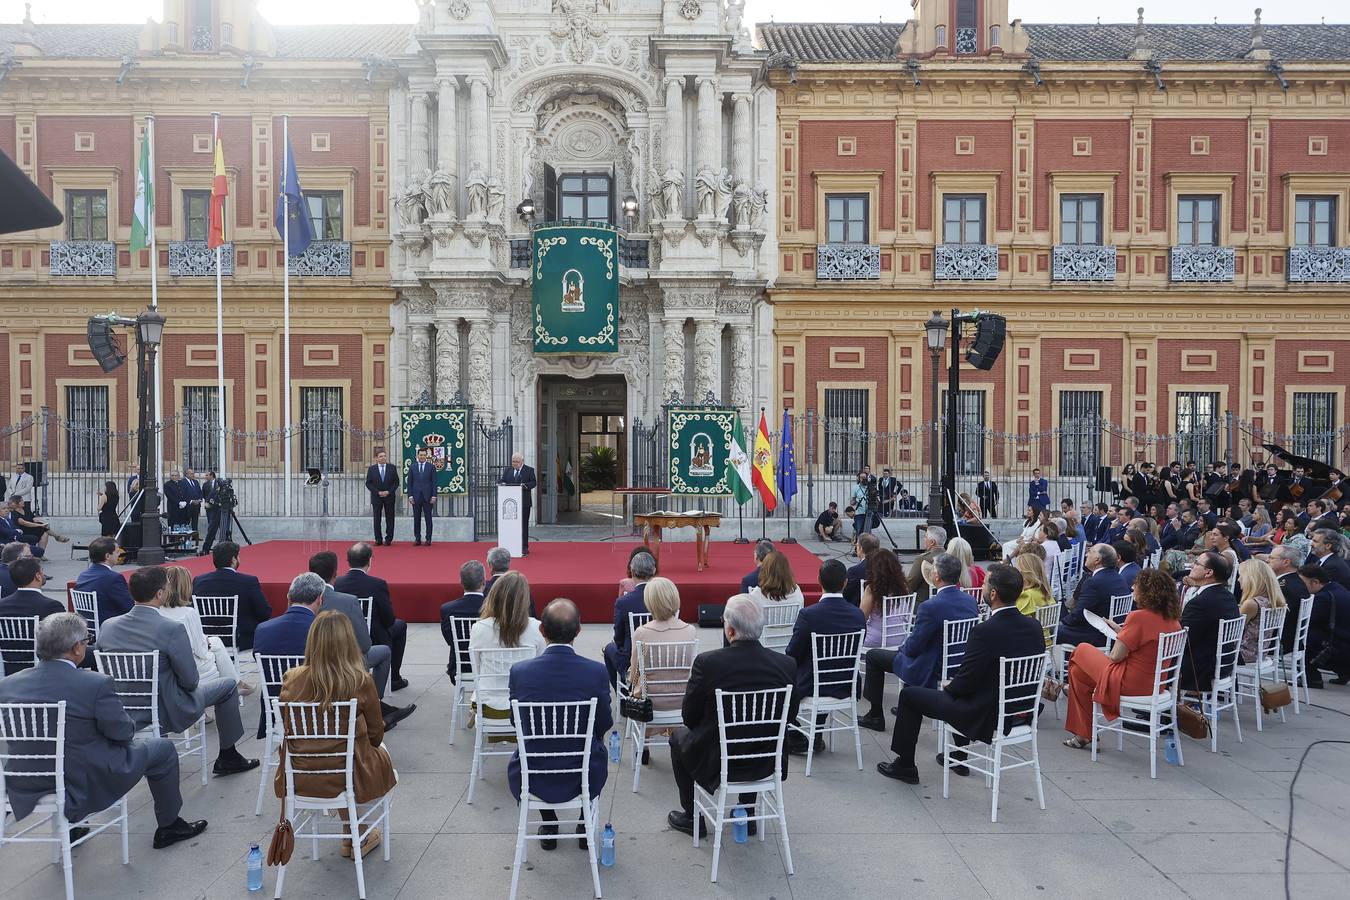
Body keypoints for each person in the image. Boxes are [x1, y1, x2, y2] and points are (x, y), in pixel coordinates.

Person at [0, 613, 209, 851]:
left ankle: (74, 825)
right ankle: (169, 824)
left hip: (27, 779)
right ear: (77, 648)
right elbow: (122, 733)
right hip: (84, 777)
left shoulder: (7, 684)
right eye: (87, 640)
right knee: (163, 749)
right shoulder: (94, 683)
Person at [877, 564, 1044, 782]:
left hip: (985, 712)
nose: (982, 587)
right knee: (957, 690)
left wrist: (950, 685)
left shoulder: (985, 631)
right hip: (1019, 708)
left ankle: (905, 765)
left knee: (909, 696)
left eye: (984, 584)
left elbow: (965, 683)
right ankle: (958, 755)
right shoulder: (1034, 627)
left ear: (993, 594)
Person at [96, 566, 259, 778]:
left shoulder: (108, 626)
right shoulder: (170, 629)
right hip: (167, 707)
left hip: (124, 706)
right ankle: (228, 754)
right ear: (160, 594)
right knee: (228, 685)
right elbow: (190, 681)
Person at [664, 595, 800, 838]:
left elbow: (689, 716)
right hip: (765, 758)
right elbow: (790, 715)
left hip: (718, 759)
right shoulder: (786, 664)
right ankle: (746, 813)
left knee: (678, 738)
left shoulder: (708, 663)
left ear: (729, 629)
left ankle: (692, 816)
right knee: (754, 733)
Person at [274, 610, 398, 860]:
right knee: (376, 753)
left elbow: (290, 729)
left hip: (300, 774)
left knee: (336, 756)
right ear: (348, 642)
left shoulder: (292, 679)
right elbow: (376, 736)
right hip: (348, 774)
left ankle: (352, 831)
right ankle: (358, 833)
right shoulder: (360, 680)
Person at [507, 598, 611, 850]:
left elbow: (515, 722)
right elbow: (604, 723)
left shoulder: (520, 671)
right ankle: (584, 822)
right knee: (597, 747)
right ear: (578, 631)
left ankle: (550, 824)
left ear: (542, 631)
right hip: (583, 771)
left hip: (533, 772)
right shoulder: (595, 671)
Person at [1061, 569, 1183, 749]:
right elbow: (1146, 645)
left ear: (1148, 591)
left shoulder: (1138, 617)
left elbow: (1115, 656)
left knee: (1081, 649)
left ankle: (1084, 730)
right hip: (1154, 683)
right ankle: (1083, 734)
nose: (1133, 587)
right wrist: (1122, 631)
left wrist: (1121, 635)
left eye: (1137, 585)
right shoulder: (1173, 620)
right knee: (1078, 673)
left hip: (1129, 681)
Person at [859, 554, 979, 731]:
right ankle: (903, 705)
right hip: (957, 663)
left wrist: (901, 649)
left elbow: (914, 647)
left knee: (873, 656)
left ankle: (875, 715)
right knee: (898, 655)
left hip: (930, 666)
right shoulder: (970, 601)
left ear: (937, 576)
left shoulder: (931, 606)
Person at [308, 551, 414, 729]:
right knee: (381, 652)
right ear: (335, 573)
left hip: (312, 662)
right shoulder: (347, 601)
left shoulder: (300, 598)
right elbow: (365, 644)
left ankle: (376, 706)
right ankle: (374, 704)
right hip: (345, 663)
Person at [785, 559, 866, 753]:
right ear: (845, 583)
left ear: (818, 581)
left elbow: (792, 653)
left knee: (780, 677)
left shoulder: (809, 615)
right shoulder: (857, 614)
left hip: (813, 684)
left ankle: (794, 736)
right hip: (846, 683)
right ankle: (815, 734)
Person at [627, 576, 697, 755]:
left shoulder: (642, 632)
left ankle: (645, 745)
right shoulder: (690, 630)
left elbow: (635, 673)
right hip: (682, 701)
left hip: (651, 704)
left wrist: (630, 680)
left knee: (635, 682)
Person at [469, 570, 546, 715]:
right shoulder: (537, 627)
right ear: (525, 599)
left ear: (494, 595)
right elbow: (541, 666)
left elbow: (477, 669)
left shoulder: (479, 628)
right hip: (526, 705)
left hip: (488, 704)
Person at [335, 542, 409, 692]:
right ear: (369, 560)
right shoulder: (377, 584)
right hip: (373, 638)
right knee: (400, 626)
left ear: (348, 561)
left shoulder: (337, 583)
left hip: (342, 635)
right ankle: (394, 677)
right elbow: (389, 619)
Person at [156, 564, 244, 688]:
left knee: (215, 642)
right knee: (216, 646)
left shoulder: (156, 611)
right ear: (186, 587)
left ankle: (235, 683)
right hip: (187, 665)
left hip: (164, 662)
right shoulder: (188, 613)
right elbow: (200, 651)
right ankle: (234, 685)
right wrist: (205, 642)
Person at [191, 541, 273, 652]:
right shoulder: (248, 581)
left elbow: (193, 611)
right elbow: (264, 613)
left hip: (206, 637)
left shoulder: (199, 581)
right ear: (233, 559)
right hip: (239, 639)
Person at [1178, 551, 1241, 693]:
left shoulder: (1200, 602)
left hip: (1200, 669)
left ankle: (1163, 710)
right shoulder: (1227, 596)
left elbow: (1183, 641)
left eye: (1197, 563)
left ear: (1208, 573)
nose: (1192, 566)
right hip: (1223, 664)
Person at [0, 557, 65, 675]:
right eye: (42, 571)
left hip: (8, 663)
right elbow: (63, 639)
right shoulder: (51, 606)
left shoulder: (2, 605)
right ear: (38, 576)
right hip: (44, 664)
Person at [1056, 543, 1126, 648]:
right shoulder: (1119, 578)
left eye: (1090, 551)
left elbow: (1078, 615)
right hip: (1113, 632)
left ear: (1097, 560)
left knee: (1050, 631)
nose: (1086, 555)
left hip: (1096, 634)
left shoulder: (1094, 582)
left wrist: (1061, 622)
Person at [603, 550, 655, 686]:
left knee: (609, 649)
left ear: (632, 571)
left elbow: (618, 637)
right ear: (654, 570)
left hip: (631, 660)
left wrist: (618, 646)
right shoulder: (663, 599)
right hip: (660, 656)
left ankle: (624, 694)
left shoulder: (624, 602)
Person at [253, 573, 327, 659]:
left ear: (289, 597)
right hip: (311, 673)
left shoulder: (262, 629)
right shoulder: (324, 630)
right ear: (320, 599)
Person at [1298, 564, 1350, 685]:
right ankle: (1344, 672)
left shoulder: (1323, 598)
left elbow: (1307, 622)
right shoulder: (1336, 588)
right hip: (1343, 642)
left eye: (1302, 582)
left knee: (1303, 636)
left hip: (1338, 648)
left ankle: (1312, 677)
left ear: (1315, 582)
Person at [440, 559, 488, 678]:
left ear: (461, 582)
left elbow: (450, 641)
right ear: (484, 582)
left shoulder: (447, 609)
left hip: (460, 666)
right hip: (490, 666)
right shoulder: (496, 608)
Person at [1269, 544, 1315, 664]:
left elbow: (1275, 617)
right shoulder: (1295, 580)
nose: (1268, 560)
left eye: (1272, 558)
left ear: (1286, 562)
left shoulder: (1284, 587)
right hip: (1291, 638)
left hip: (1280, 641)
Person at [73, 536, 133, 626]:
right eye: (117, 552)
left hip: (87, 625)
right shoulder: (113, 578)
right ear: (108, 556)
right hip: (109, 627)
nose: (119, 554)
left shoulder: (83, 575)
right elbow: (129, 608)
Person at [1236, 558, 1286, 664]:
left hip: (1244, 654)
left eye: (1241, 576)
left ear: (1251, 579)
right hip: (1260, 652)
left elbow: (1234, 631)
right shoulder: (1271, 599)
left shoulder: (1252, 604)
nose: (1239, 579)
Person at [860, 548, 909, 649]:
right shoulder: (904, 586)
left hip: (876, 639)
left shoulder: (873, 589)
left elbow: (861, 617)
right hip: (900, 637)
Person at [498, 452, 537, 555]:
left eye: (516, 462)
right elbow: (502, 480)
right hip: (510, 504)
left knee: (523, 525)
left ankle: (524, 547)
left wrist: (525, 486)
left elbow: (533, 482)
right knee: (510, 524)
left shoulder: (529, 470)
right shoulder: (508, 470)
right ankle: (509, 545)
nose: (514, 463)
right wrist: (501, 483)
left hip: (524, 503)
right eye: (513, 461)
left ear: (522, 462)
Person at [365, 450, 399, 546]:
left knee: (390, 518)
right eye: (380, 456)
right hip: (377, 497)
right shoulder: (372, 469)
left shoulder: (392, 468)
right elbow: (368, 483)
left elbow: (396, 482)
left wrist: (388, 491)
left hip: (389, 497)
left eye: (384, 456)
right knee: (377, 519)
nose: (383, 458)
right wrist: (378, 492)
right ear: (377, 458)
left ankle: (388, 539)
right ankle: (378, 539)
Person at [406, 446, 437, 546]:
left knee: (428, 519)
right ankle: (417, 538)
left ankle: (428, 539)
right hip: (416, 497)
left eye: (424, 455)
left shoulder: (431, 467)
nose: (422, 456)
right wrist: (410, 496)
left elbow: (434, 483)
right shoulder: (412, 467)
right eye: (421, 455)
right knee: (416, 519)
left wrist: (434, 496)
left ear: (426, 456)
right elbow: (409, 483)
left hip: (428, 497)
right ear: (417, 456)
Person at [907, 526, 946, 603]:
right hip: (946, 601)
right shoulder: (951, 557)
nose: (924, 540)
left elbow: (911, 584)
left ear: (932, 542)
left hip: (923, 602)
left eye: (925, 537)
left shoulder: (923, 559)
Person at [1011, 552, 1054, 618]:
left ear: (1023, 573)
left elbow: (1014, 619)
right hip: (1043, 628)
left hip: (1026, 628)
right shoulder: (1045, 591)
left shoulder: (1027, 595)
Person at [844, 532, 881, 606]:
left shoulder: (854, 571)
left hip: (858, 609)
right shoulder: (888, 566)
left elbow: (846, 595)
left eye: (857, 546)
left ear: (860, 548)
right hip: (884, 608)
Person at [199, 470, 222, 555]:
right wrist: (208, 502)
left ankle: (225, 544)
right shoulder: (205, 484)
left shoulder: (219, 484)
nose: (205, 476)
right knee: (211, 526)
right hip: (210, 509)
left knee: (223, 527)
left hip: (219, 508)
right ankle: (206, 548)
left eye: (207, 475)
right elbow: (204, 495)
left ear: (212, 475)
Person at [180, 469, 204, 535]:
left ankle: (195, 535)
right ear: (187, 474)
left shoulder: (195, 482)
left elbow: (199, 492)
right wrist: (191, 501)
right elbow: (183, 494)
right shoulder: (182, 482)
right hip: (188, 506)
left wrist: (200, 499)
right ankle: (186, 536)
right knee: (187, 521)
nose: (193, 475)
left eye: (193, 473)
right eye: (191, 473)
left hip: (196, 505)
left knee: (195, 521)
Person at [850, 471, 872, 537]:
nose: (863, 479)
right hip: (859, 512)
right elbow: (852, 501)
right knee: (859, 530)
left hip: (869, 512)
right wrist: (855, 502)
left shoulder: (870, 487)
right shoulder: (855, 488)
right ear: (859, 479)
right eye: (861, 478)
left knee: (868, 530)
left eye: (864, 477)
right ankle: (858, 544)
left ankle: (867, 545)